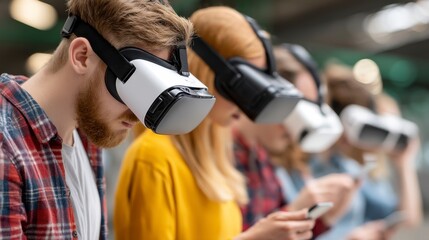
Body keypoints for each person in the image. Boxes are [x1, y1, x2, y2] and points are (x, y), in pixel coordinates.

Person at [114, 6, 315, 240]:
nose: (246, 102)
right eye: (243, 85)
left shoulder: (217, 162)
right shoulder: (154, 159)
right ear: (211, 75)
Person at [0, 0, 195, 239]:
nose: (139, 115)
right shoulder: (5, 148)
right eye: (132, 88)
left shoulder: (88, 133)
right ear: (82, 56)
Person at [233, 44, 357, 237]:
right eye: (296, 109)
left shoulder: (263, 158)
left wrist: (323, 220)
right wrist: (294, 210)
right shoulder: (222, 159)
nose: (294, 132)